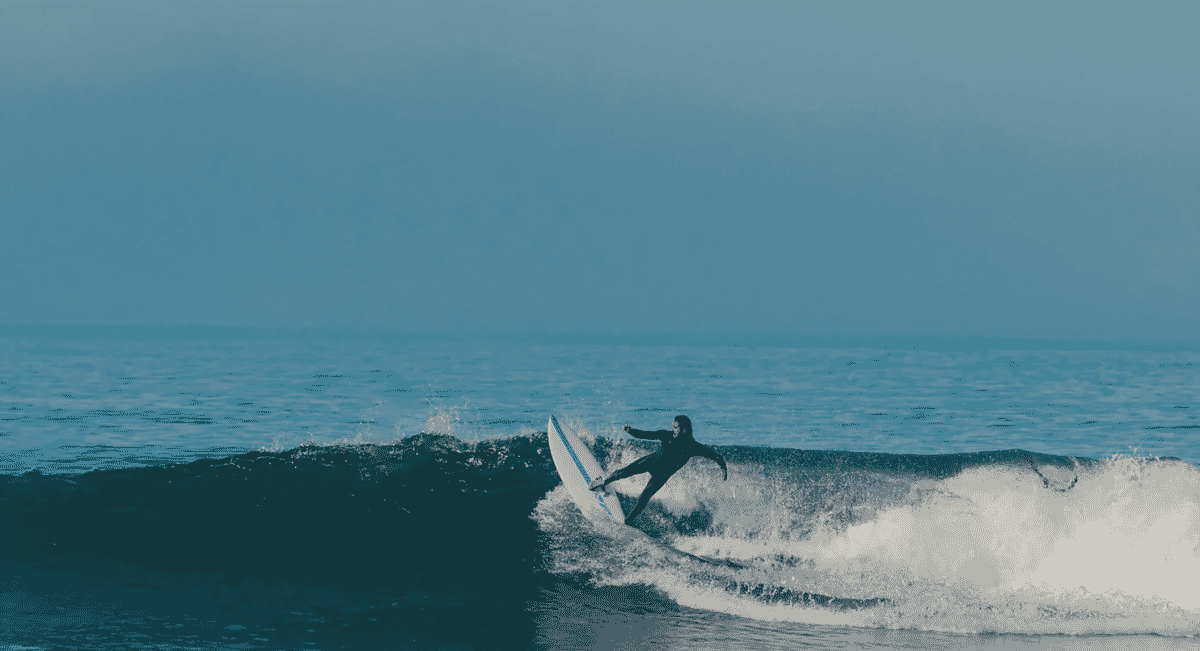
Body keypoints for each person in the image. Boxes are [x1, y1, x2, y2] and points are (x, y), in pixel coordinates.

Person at [588, 415, 727, 526]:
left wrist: (723, 468)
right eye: (672, 426)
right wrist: (631, 431)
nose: (672, 429)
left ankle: (628, 522)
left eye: (676, 427)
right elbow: (645, 435)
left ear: (684, 430)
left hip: (662, 475)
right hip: (651, 462)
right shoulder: (666, 435)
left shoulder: (693, 446)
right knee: (623, 472)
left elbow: (715, 456)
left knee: (644, 497)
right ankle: (603, 482)